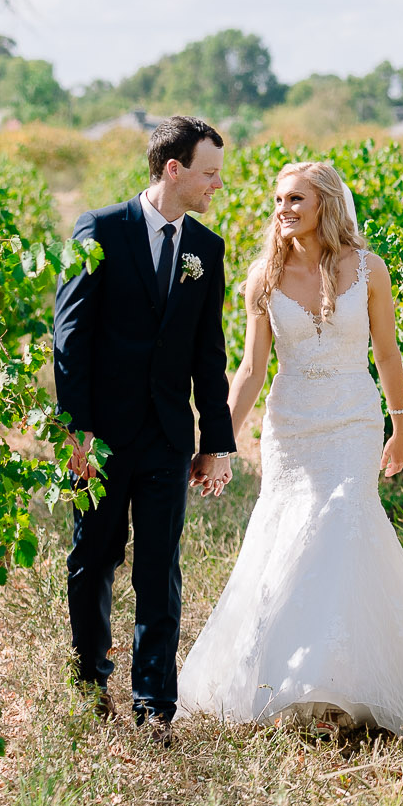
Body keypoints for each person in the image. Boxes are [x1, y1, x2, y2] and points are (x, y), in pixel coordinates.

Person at [176, 160, 403, 743]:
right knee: (288, 534)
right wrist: (217, 443)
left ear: (326, 207)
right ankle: (289, 684)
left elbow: (386, 353)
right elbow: (251, 370)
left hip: (354, 420)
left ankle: (342, 687)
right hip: (293, 428)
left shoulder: (368, 269)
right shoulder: (262, 277)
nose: (283, 210)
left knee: (341, 524)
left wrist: (401, 425)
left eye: (296, 200)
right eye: (279, 200)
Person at [51, 115, 237, 725]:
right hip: (100, 436)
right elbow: (70, 336)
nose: (217, 185)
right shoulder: (99, 229)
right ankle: (91, 682)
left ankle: (155, 704)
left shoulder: (206, 251)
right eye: (208, 173)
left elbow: (209, 354)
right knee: (95, 557)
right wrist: (75, 431)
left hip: (165, 436)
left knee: (160, 568)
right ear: (174, 168)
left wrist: (216, 441)